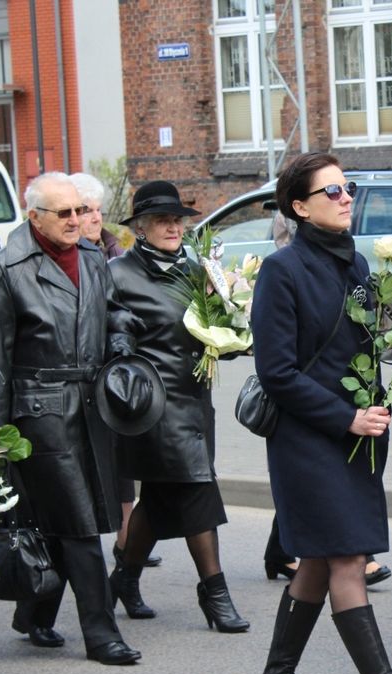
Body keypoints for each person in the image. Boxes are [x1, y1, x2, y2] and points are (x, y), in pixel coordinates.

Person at [252, 152, 392, 674]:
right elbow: (277, 373)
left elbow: (359, 352)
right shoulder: (281, 271)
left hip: (357, 437)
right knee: (346, 559)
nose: (344, 198)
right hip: (309, 439)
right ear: (299, 206)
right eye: (330, 191)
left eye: (347, 187)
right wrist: (346, 418)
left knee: (317, 557)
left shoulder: (359, 264)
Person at [0, 171, 142, 666]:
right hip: (40, 407)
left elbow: (116, 312)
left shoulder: (92, 257)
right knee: (79, 520)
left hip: (93, 401)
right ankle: (100, 631)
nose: (77, 221)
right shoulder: (6, 268)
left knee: (62, 516)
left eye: (80, 211)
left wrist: (120, 342)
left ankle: (35, 614)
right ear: (35, 217)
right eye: (64, 213)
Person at [106, 180, 247, 633]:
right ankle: (215, 593)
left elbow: (218, 324)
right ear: (141, 227)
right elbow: (113, 332)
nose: (173, 227)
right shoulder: (119, 272)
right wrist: (123, 339)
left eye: (178, 220)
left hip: (195, 398)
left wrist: (230, 332)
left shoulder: (195, 265)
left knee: (161, 496)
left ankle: (122, 581)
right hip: (152, 403)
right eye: (162, 220)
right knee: (195, 486)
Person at [69, 172, 160, 569]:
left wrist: (123, 335)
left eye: (96, 210)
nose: (92, 217)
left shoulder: (109, 252)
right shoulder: (66, 258)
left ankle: (127, 538)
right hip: (73, 378)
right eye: (84, 210)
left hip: (112, 373)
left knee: (121, 461)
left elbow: (117, 309)